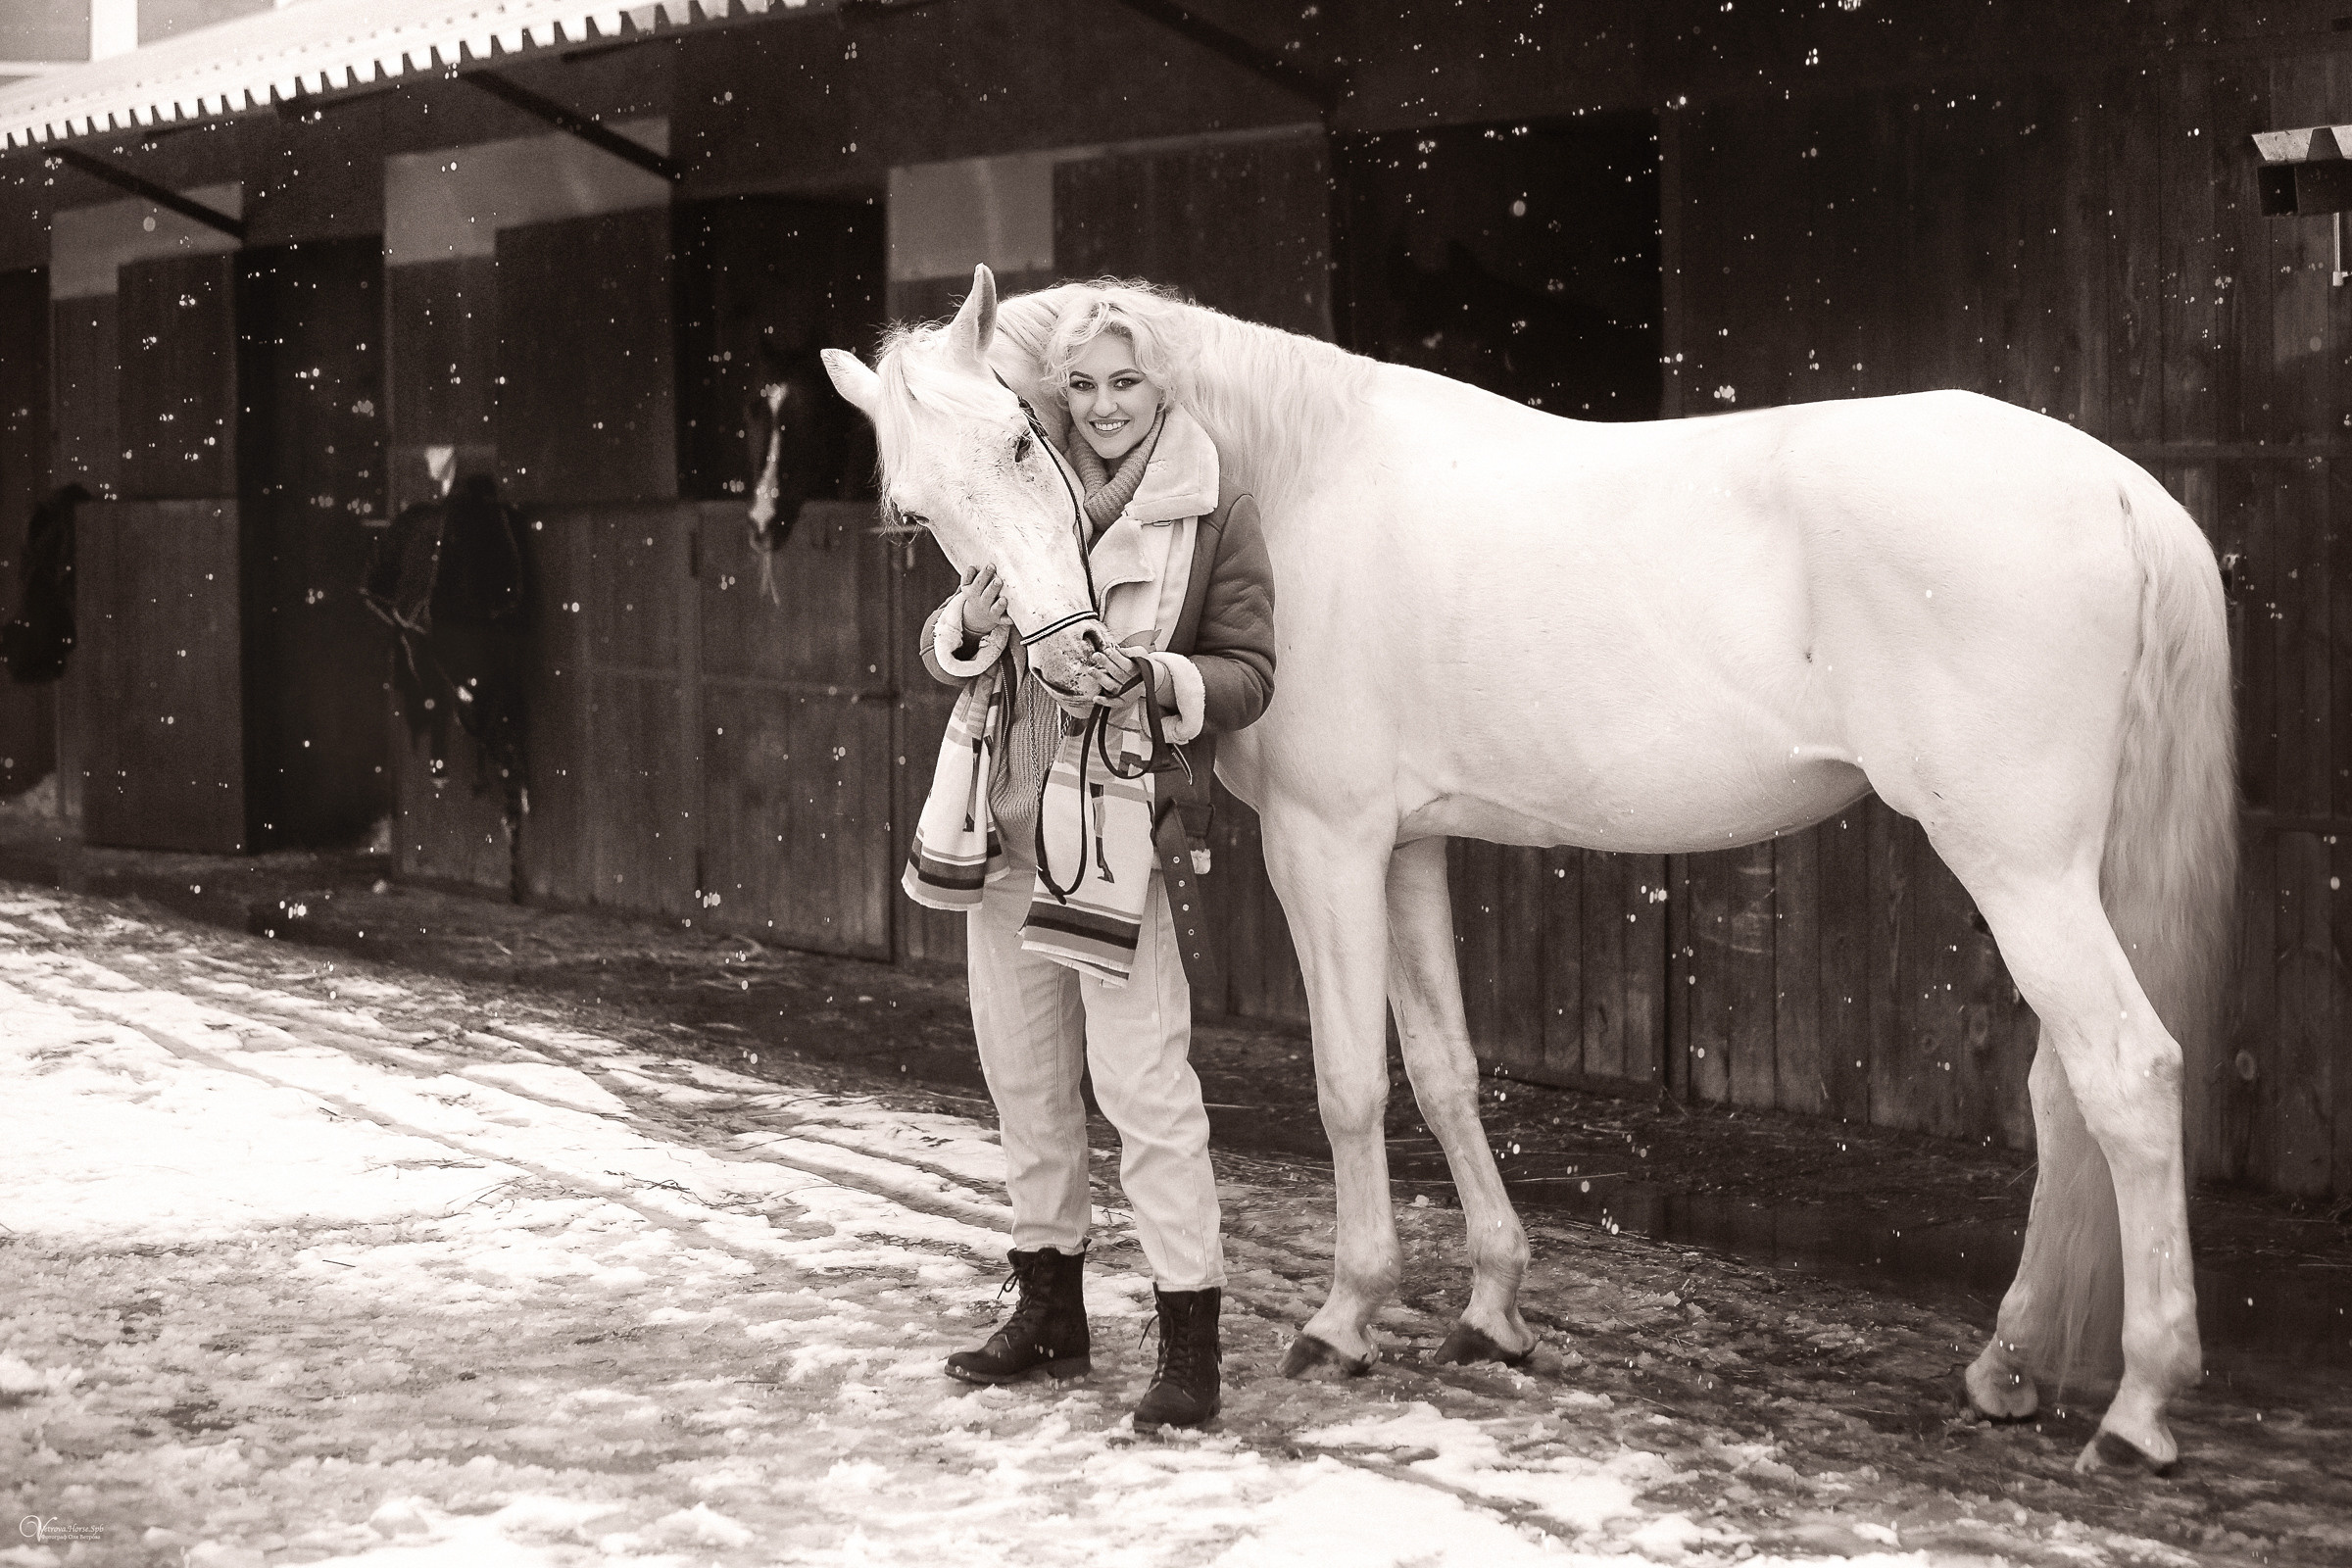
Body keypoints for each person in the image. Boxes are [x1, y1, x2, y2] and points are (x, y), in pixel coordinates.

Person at [907, 286, 1275, 1428]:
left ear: (1163, 384)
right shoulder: (1024, 483)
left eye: (1127, 381)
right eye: (1085, 384)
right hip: (1002, 825)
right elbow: (948, 648)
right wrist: (964, 625)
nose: (1105, 405)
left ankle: (1188, 1341)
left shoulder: (1214, 507)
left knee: (1145, 1090)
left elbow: (1251, 673)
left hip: (1116, 835)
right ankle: (1051, 1306)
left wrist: (1156, 681)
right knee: (1024, 1082)